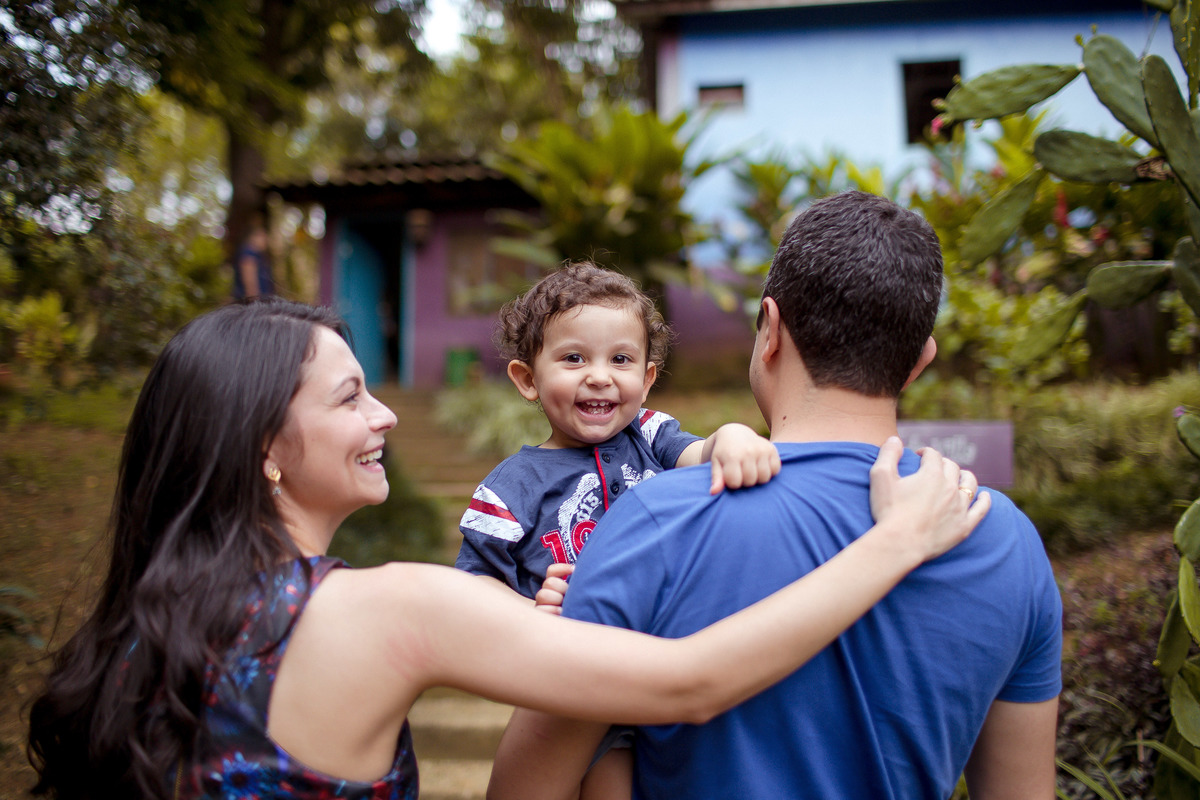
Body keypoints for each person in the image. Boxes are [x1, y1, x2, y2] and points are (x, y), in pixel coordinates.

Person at [25, 297, 985, 800]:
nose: (387, 412)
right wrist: (892, 543)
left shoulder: (136, 636)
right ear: (266, 449)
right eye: (350, 397)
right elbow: (690, 682)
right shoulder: (391, 609)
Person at [487, 191, 1062, 800]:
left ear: (770, 328)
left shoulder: (655, 520)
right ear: (920, 359)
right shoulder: (1004, 538)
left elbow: (524, 789)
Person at [456, 262, 782, 798]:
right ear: (527, 379)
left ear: (648, 379)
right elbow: (471, 591)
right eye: (574, 358)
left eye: (621, 359)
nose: (600, 375)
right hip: (576, 683)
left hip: (668, 663)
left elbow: (699, 456)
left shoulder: (648, 436)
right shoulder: (511, 488)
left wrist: (732, 437)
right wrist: (534, 609)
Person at [232, 222, 274, 299]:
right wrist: (253, 298)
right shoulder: (249, 253)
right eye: (263, 237)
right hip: (253, 301)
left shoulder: (258, 255)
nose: (266, 240)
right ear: (254, 237)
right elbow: (249, 279)